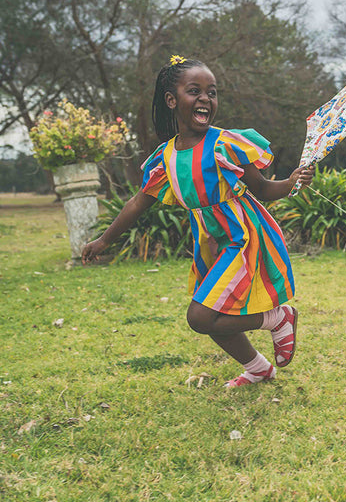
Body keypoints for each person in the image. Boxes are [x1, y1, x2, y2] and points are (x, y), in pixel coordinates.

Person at [82, 55, 315, 388]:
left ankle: (279, 318)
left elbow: (263, 189)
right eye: (195, 91)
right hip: (211, 242)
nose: (206, 98)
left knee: (201, 316)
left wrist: (292, 182)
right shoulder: (165, 158)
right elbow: (138, 202)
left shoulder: (225, 145)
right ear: (172, 100)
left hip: (243, 237)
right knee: (214, 316)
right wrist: (104, 240)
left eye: (213, 92)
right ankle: (258, 368)